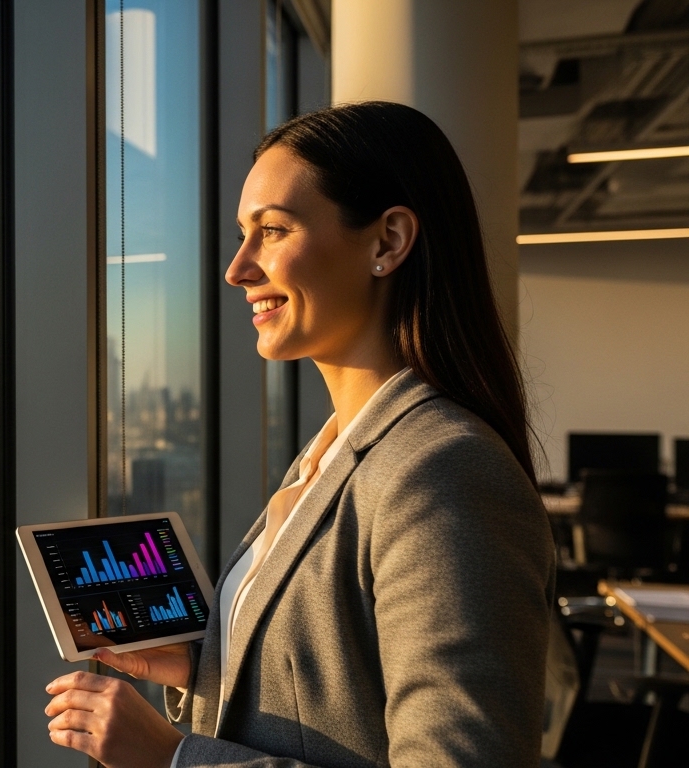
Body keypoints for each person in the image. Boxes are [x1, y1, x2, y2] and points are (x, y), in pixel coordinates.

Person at [43, 101, 555, 767]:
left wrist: (173, 759)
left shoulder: (443, 470)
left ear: (388, 242)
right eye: (240, 235)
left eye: (274, 231)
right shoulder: (333, 451)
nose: (239, 269)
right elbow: (334, 690)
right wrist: (204, 664)